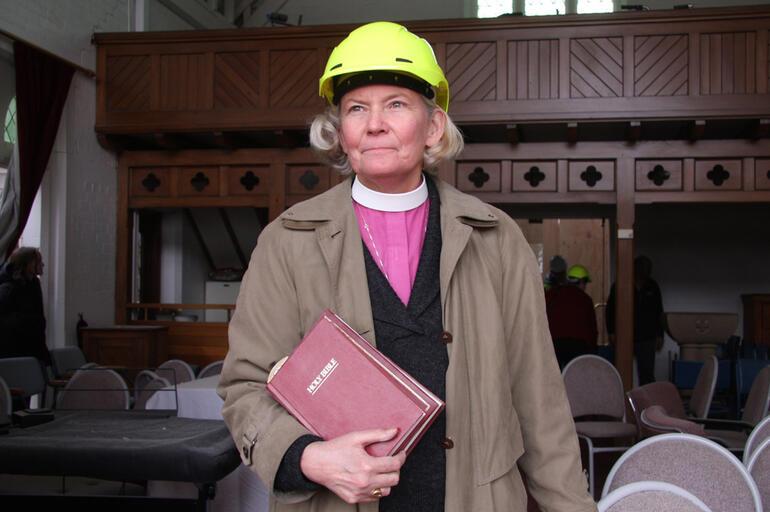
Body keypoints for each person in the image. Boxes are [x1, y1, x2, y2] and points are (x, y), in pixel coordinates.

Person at [218, 21, 595, 512]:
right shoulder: (287, 242)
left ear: (433, 125)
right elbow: (246, 386)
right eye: (357, 109)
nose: (375, 124)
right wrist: (309, 458)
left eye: (395, 104)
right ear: (340, 131)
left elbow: (539, 404)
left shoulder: (496, 239)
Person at [606, 255, 664, 385]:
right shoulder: (621, 285)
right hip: (625, 335)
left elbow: (658, 312)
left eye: (648, 268)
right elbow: (610, 309)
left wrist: (660, 334)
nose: (646, 271)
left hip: (647, 337)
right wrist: (611, 331)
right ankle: (622, 400)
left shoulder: (652, 286)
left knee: (647, 374)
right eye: (643, 267)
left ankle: (646, 403)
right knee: (621, 371)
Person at [0, 247, 50, 367]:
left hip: (32, 349)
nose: (42, 264)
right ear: (28, 264)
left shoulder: (33, 284)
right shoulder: (8, 288)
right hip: (15, 352)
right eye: (38, 261)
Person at [545, 263, 598, 369]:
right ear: (581, 281)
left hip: (554, 343)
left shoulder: (553, 293)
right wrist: (592, 353)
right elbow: (592, 330)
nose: (585, 287)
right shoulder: (585, 299)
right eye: (585, 283)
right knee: (576, 378)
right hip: (579, 345)